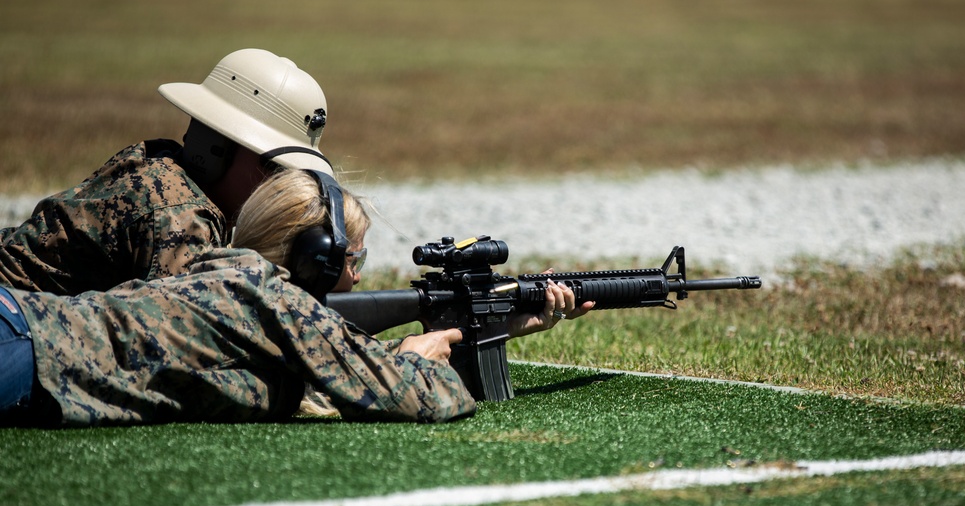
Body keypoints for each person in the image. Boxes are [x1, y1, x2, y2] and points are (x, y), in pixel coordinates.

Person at [0, 169, 584, 427]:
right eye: (353, 260)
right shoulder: (269, 296)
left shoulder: (226, 273)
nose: (358, 278)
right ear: (315, 259)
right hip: (22, 347)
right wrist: (414, 357)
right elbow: (426, 398)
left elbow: (312, 375)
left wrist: (495, 322)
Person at [0, 48, 335, 296]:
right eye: (274, 167)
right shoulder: (181, 217)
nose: (283, 185)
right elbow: (186, 337)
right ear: (215, 148)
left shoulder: (159, 162)